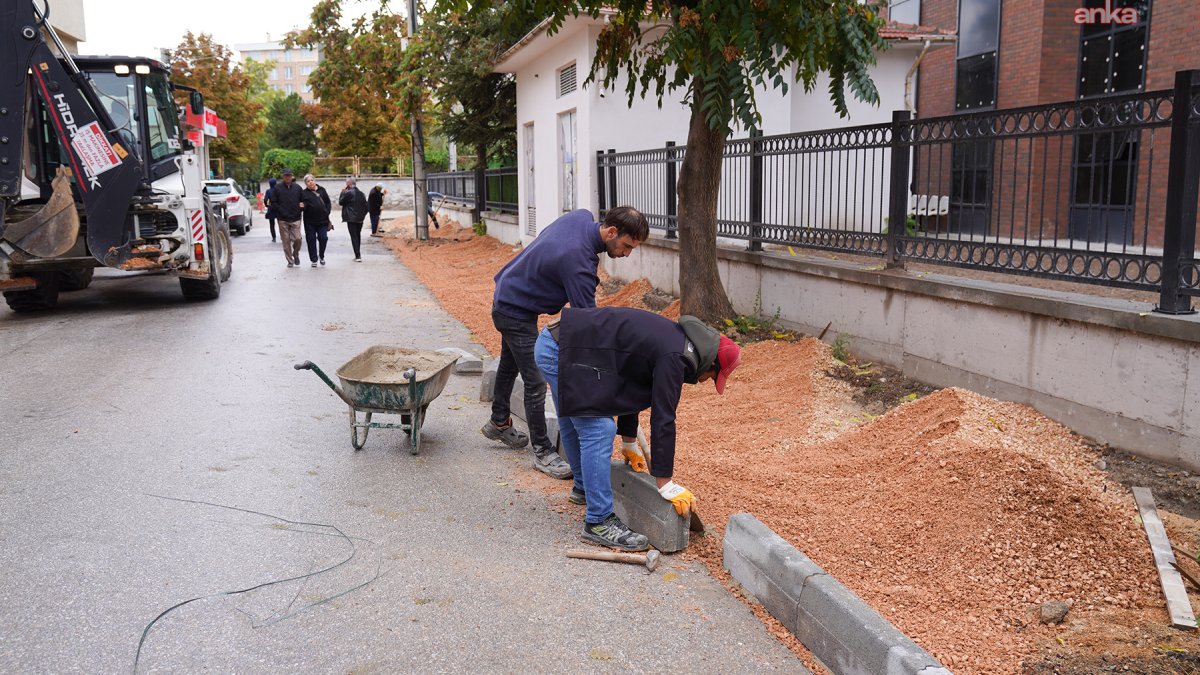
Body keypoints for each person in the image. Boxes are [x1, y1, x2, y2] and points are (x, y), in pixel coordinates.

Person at [534, 306, 742, 551]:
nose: (706, 381)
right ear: (710, 362)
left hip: (561, 342)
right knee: (599, 429)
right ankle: (598, 521)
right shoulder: (675, 357)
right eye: (713, 376)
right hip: (561, 350)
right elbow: (663, 419)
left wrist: (629, 441)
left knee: (576, 417)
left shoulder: (674, 340)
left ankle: (583, 488)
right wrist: (665, 483)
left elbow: (630, 383)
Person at [481, 206, 649, 480]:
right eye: (627, 246)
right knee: (535, 380)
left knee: (510, 364)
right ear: (611, 232)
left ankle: (499, 421)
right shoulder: (578, 263)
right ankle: (543, 452)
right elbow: (587, 324)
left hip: (510, 292)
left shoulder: (581, 217)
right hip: (514, 310)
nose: (627, 254)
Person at [300, 173, 333, 267]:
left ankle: (321, 255)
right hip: (309, 222)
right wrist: (302, 206)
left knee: (323, 238)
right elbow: (303, 205)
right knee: (311, 240)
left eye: (312, 180)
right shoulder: (304, 193)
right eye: (308, 181)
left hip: (322, 221)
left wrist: (327, 212)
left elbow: (327, 202)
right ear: (306, 183)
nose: (310, 182)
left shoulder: (322, 190)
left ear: (315, 181)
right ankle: (314, 259)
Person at [273, 169, 304, 268]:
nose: (287, 177)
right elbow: (273, 202)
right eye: (286, 175)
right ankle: (290, 261)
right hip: (282, 219)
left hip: (296, 218)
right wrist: (280, 210)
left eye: (289, 175)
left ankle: (295, 254)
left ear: (292, 176)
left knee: (298, 239)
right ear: (283, 176)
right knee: (286, 241)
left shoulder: (298, 188)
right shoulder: (277, 188)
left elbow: (303, 200)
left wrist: (300, 208)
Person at [338, 178, 369, 262]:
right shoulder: (361, 193)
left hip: (351, 218)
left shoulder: (348, 193)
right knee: (358, 235)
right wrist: (363, 215)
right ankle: (358, 254)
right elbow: (366, 206)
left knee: (354, 236)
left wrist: (342, 192)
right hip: (360, 218)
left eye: (346, 183)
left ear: (349, 184)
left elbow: (341, 202)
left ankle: (358, 256)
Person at [264, 177, 279, 243]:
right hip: (278, 208)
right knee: (281, 223)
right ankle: (283, 236)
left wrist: (267, 205)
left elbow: (265, 200)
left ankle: (274, 237)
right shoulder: (278, 190)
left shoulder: (268, 191)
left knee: (272, 224)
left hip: (271, 208)